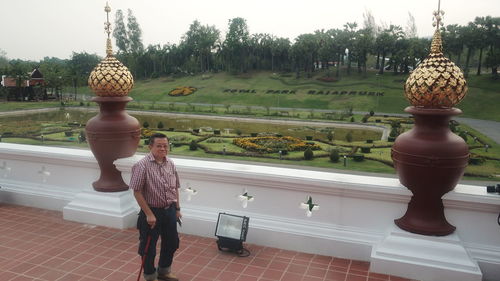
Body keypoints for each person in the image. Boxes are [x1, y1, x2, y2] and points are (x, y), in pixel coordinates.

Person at [130, 133, 181, 281]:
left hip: (170, 210)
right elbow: (137, 192)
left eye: (165, 145)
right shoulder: (142, 165)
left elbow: (175, 188)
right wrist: (149, 214)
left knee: (171, 243)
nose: (163, 148)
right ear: (150, 147)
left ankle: (164, 271)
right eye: (159, 145)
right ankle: (150, 276)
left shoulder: (170, 163)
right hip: (151, 212)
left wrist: (177, 209)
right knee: (148, 248)